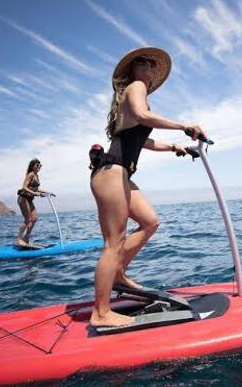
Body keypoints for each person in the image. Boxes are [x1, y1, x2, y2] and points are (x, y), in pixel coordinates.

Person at [88, 47, 207, 327]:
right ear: (133, 70)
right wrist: (184, 126)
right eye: (143, 63)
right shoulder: (136, 87)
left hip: (121, 175)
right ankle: (101, 313)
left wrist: (174, 147)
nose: (149, 68)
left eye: (152, 65)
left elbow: (142, 139)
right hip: (111, 172)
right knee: (113, 243)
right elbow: (143, 116)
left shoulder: (133, 95)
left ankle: (117, 273)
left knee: (150, 221)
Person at [16, 158, 49, 248]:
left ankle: (26, 238)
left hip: (29, 199)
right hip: (23, 199)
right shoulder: (30, 174)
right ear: (32, 166)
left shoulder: (36, 175)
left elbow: (37, 188)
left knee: (34, 218)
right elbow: (24, 187)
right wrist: (35, 194)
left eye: (40, 165)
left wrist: (46, 192)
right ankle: (19, 239)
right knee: (28, 220)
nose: (39, 167)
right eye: (37, 165)